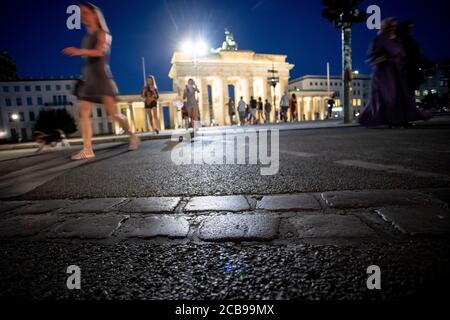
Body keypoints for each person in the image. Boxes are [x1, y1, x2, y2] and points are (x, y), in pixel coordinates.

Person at [63, 2, 140, 160]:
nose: (83, 17)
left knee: (113, 114)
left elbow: (99, 52)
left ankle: (132, 135)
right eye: (81, 14)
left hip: (102, 78)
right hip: (88, 78)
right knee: (84, 113)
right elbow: (88, 59)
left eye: (85, 13)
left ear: (94, 14)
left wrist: (79, 51)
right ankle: (87, 149)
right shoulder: (86, 37)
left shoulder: (103, 33)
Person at [359, 18, 430, 128]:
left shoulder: (397, 40)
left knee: (400, 96)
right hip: (384, 73)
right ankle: (392, 120)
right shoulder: (379, 39)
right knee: (388, 97)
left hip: (397, 72)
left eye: (394, 26)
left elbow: (403, 55)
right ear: (385, 27)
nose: (392, 28)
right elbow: (371, 56)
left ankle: (400, 120)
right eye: (390, 26)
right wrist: (382, 59)